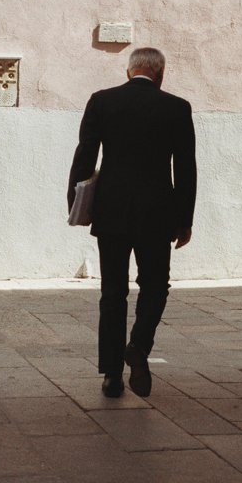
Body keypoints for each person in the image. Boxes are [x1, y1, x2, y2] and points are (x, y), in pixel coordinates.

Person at [67, 47, 197, 398]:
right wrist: (184, 220)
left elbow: (85, 155)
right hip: (157, 213)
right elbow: (185, 168)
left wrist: (77, 204)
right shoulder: (177, 108)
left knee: (113, 293)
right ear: (161, 73)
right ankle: (138, 346)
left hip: (112, 211)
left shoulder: (102, 101)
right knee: (156, 285)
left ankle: (111, 375)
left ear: (129, 72)